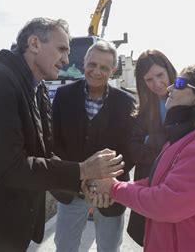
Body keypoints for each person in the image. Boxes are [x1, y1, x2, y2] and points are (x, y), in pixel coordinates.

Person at [0, 18, 125, 252]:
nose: (67, 60)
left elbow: (43, 155)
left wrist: (82, 182)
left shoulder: (39, 90)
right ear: (34, 43)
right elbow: (13, 167)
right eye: (61, 49)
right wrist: (83, 170)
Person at [91, 64, 195, 251]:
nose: (170, 88)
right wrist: (112, 186)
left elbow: (167, 203)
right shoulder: (185, 138)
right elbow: (157, 183)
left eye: (180, 83)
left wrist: (114, 189)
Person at [51, 40, 136, 252]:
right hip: (70, 189)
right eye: (92, 64)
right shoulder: (63, 96)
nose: (96, 71)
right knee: (64, 245)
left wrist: (106, 181)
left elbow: (130, 151)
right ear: (84, 63)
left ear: (113, 70)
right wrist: (79, 176)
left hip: (110, 194)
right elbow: (54, 141)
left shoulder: (127, 103)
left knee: (109, 247)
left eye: (104, 67)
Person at [127, 49, 177, 246]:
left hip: (179, 186)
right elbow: (133, 148)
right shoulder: (143, 109)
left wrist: (150, 140)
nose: (156, 84)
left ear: (169, 71)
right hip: (150, 184)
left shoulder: (190, 101)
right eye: (149, 79)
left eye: (160, 75)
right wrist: (165, 146)